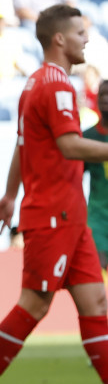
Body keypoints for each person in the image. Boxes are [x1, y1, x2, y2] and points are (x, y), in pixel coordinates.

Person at [0, 5, 108, 384]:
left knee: (95, 302)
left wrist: (10, 194)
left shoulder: (36, 83)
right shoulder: (58, 87)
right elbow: (70, 146)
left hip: (70, 215)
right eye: (80, 33)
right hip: (52, 216)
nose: (86, 40)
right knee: (35, 303)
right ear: (59, 39)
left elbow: (24, 143)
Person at [83, 80, 108, 269]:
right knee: (97, 269)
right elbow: (74, 176)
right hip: (97, 217)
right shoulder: (86, 137)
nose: (105, 99)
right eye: (102, 94)